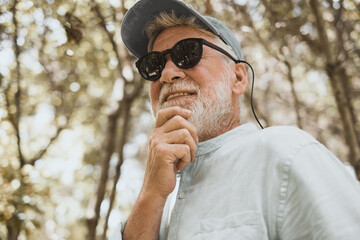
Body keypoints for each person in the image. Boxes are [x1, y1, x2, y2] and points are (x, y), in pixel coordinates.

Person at [111, 0, 360, 239]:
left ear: (238, 78)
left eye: (187, 53)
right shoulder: (157, 195)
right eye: (153, 64)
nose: (167, 73)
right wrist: (150, 193)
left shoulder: (285, 152)